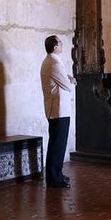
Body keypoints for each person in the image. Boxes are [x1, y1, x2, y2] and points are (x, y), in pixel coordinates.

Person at [40, 35, 76, 189]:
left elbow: (62, 80)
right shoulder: (53, 63)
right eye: (60, 43)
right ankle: (54, 178)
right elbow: (67, 86)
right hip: (58, 110)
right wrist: (72, 81)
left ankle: (57, 174)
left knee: (59, 144)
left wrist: (68, 79)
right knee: (57, 144)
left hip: (58, 109)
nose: (62, 45)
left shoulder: (52, 61)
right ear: (55, 47)